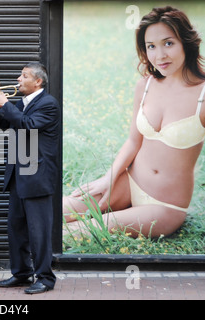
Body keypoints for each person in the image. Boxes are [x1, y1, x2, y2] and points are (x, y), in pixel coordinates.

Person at [63, 6, 205, 239]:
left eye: (168, 43)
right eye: (151, 46)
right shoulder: (146, 86)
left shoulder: (203, 94)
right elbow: (133, 141)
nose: (160, 55)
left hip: (165, 206)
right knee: (56, 211)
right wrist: (109, 178)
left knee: (80, 230)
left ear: (186, 43)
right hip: (129, 182)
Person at [0, 62, 59, 294]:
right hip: (19, 174)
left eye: (24, 76)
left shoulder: (48, 104)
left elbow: (29, 126)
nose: (18, 79)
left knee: (39, 231)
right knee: (16, 228)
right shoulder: (21, 103)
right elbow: (5, 124)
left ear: (38, 81)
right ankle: (22, 273)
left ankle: (45, 278)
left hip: (37, 176)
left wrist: (5, 103)